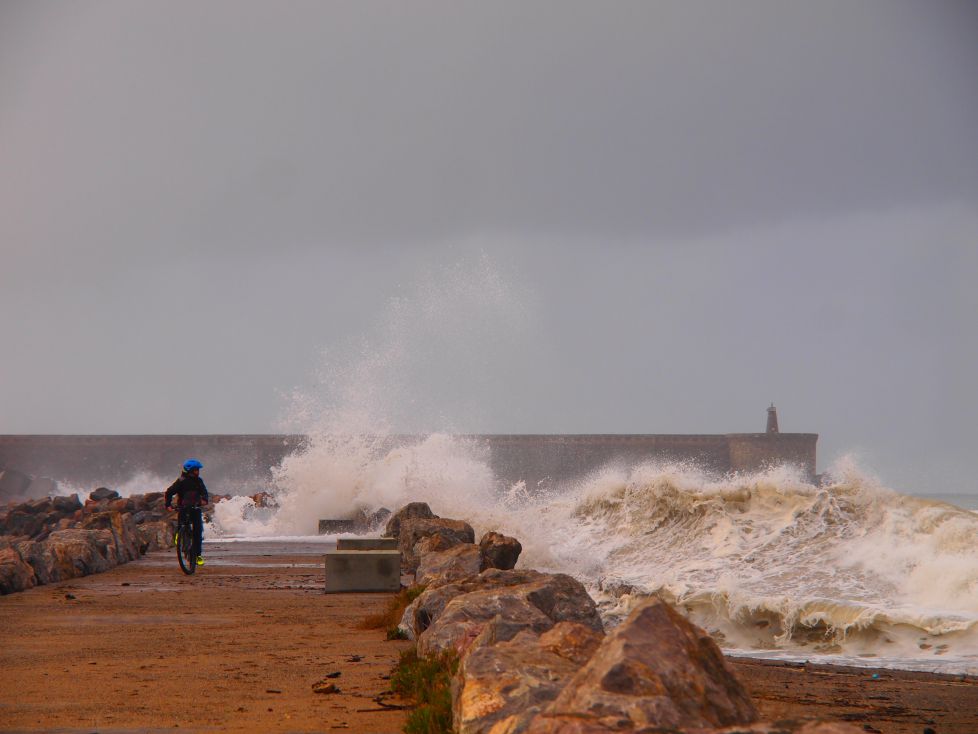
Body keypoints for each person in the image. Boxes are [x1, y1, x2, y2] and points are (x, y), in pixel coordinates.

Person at [164, 458, 209, 566]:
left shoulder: (199, 481)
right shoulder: (181, 481)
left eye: (198, 470)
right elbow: (169, 492)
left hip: (195, 508)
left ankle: (198, 555)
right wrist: (168, 505)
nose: (198, 472)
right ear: (189, 470)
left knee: (198, 532)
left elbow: (204, 492)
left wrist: (204, 500)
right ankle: (178, 535)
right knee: (182, 525)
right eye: (196, 470)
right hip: (183, 508)